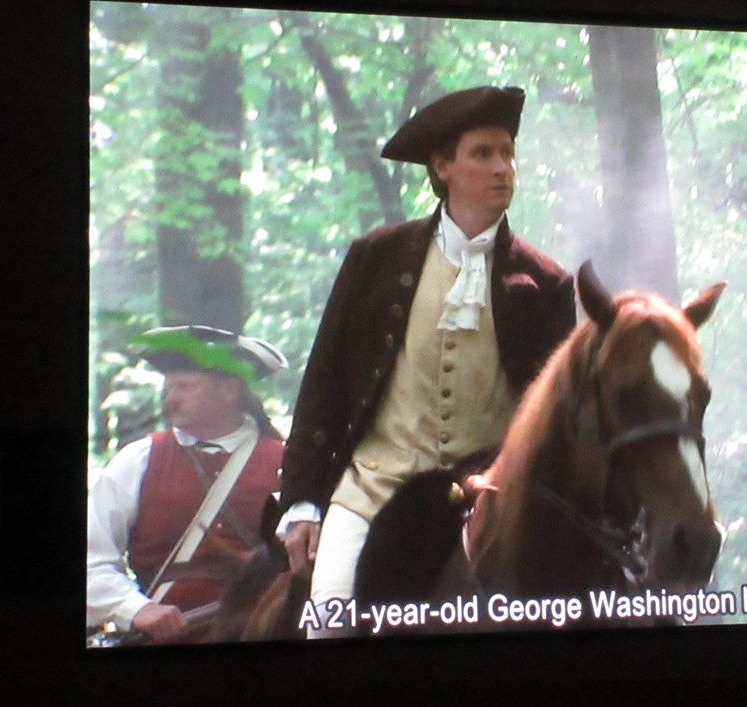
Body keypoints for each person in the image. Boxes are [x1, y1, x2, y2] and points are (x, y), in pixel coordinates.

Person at [276, 86, 577, 634]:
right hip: (373, 487)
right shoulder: (376, 258)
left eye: (508, 152)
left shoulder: (546, 283)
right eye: (482, 153)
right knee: (329, 626)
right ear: (442, 167)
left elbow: (557, 422)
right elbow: (324, 384)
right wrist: (299, 500)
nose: (502, 168)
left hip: (486, 502)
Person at [86, 325, 288, 645]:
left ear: (228, 391)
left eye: (185, 387)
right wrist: (136, 609)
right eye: (169, 388)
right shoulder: (139, 460)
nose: (171, 398)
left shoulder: (288, 463)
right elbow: (89, 559)